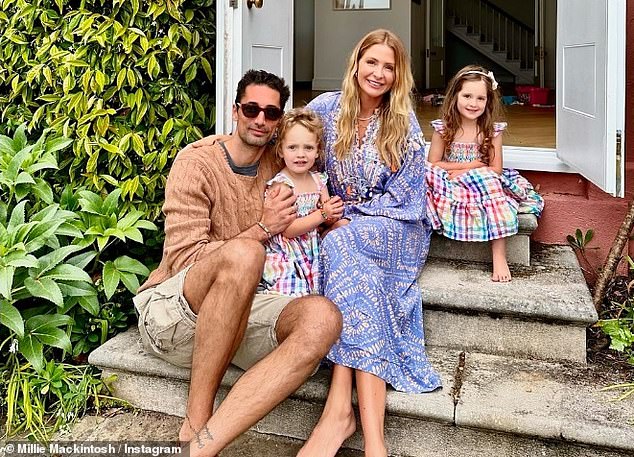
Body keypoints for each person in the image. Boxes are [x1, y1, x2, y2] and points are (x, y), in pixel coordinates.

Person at [132, 69, 343, 457]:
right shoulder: (196, 162)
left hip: (243, 314)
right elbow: (183, 259)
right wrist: (262, 228)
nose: (260, 119)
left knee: (323, 318)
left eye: (271, 113)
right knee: (247, 253)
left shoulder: (282, 167)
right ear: (235, 110)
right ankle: (195, 421)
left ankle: (203, 446)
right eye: (251, 109)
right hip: (176, 313)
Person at [299, 29, 442, 457]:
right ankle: (372, 438)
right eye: (372, 62)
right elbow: (286, 144)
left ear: (398, 76)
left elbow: (408, 197)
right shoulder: (325, 109)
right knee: (347, 256)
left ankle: (339, 411)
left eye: (388, 67)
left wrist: (342, 218)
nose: (378, 73)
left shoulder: (403, 123)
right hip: (343, 227)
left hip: (396, 226)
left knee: (341, 244)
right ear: (356, 63)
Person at [425, 65, 544, 282]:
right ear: (455, 96)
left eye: (481, 98)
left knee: (490, 180)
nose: (473, 103)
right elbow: (433, 163)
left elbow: (495, 169)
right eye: (467, 96)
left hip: (480, 182)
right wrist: (469, 166)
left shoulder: (491, 131)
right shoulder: (443, 128)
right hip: (450, 183)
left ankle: (499, 256)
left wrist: (469, 169)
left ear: (488, 101)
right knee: (424, 175)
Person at [261, 108, 344, 296]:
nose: (301, 154)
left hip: (311, 245)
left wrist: (332, 212)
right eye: (293, 147)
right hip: (287, 251)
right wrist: (323, 214)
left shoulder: (318, 180)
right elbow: (288, 230)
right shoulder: (282, 186)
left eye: (308, 148)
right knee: (295, 293)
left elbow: (326, 217)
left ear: (317, 151)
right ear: (281, 150)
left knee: (343, 226)